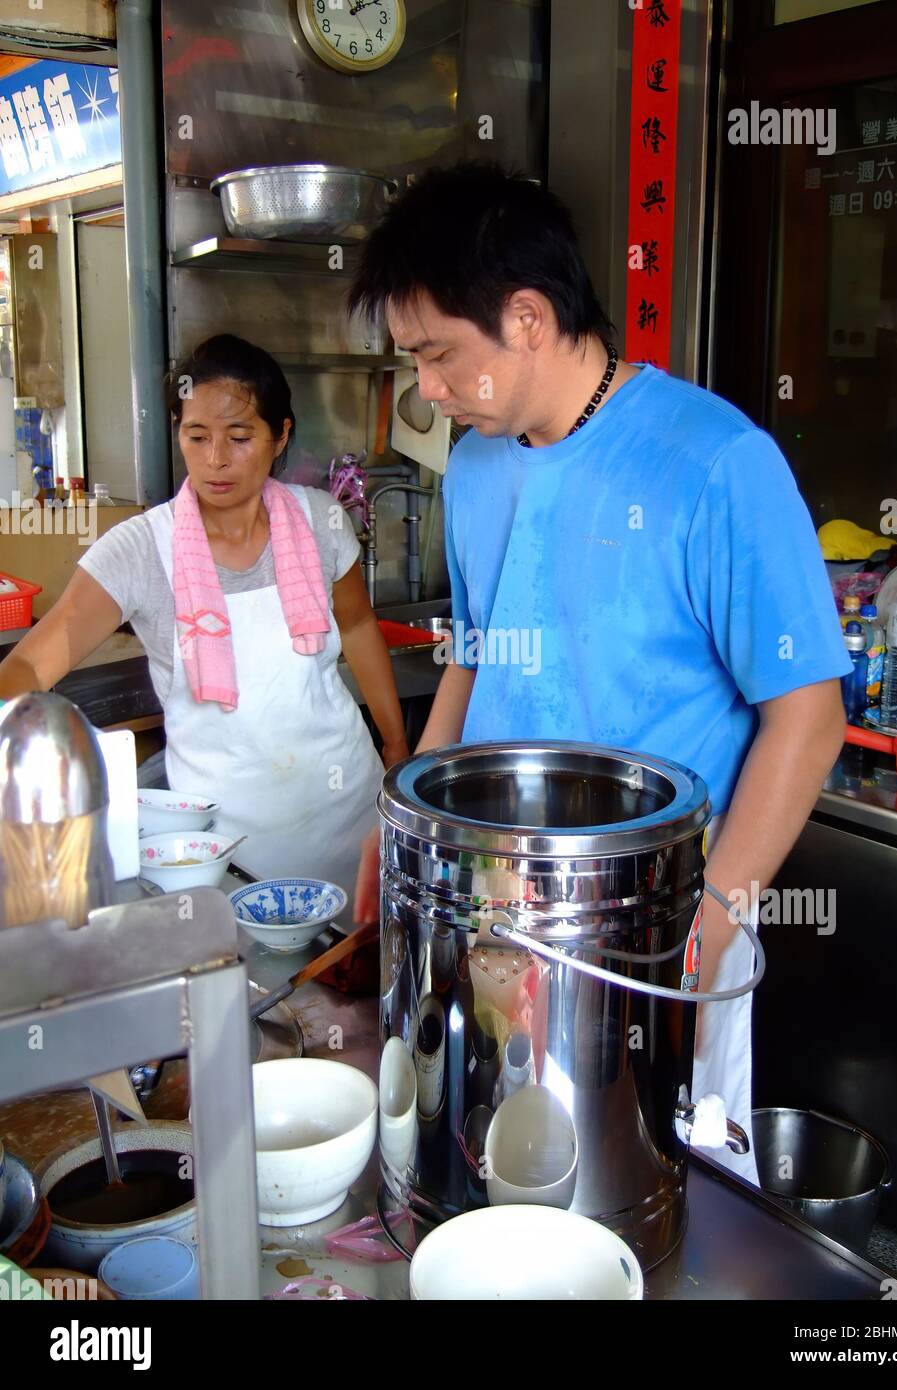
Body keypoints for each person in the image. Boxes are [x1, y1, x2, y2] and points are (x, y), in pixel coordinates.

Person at [348, 164, 850, 1177]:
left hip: (658, 935)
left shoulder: (716, 462)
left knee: (657, 1199)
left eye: (439, 356)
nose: (427, 392)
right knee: (493, 1181)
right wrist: (399, 824)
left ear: (527, 317)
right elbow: (474, 655)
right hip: (495, 922)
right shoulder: (479, 467)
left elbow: (809, 717)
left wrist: (712, 916)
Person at [0, 335, 408, 913]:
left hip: (349, 818)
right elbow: (28, 663)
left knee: (354, 980)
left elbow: (360, 628)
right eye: (197, 436)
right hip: (224, 849)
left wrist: (395, 746)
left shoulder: (321, 522)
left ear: (281, 435)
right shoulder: (140, 551)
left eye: (240, 438)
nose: (216, 458)